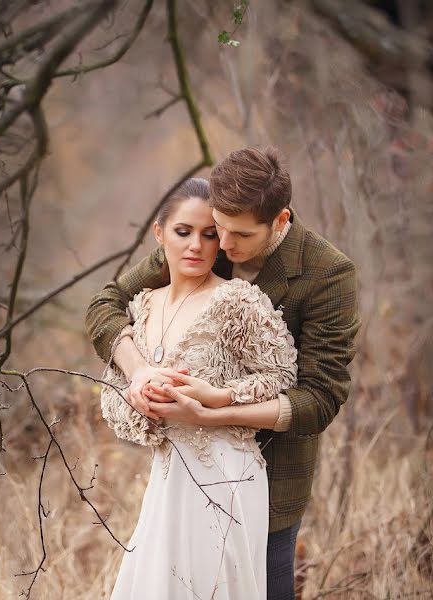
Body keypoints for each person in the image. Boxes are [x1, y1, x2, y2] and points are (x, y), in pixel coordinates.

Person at [87, 147, 360, 600]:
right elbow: (106, 304)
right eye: (217, 228)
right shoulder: (204, 240)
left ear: (280, 220)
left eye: (238, 235)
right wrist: (138, 372)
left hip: (271, 474)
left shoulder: (327, 275)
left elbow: (320, 400)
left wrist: (213, 412)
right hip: (180, 474)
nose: (221, 246)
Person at [100, 176, 297, 599]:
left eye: (210, 235)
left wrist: (216, 397)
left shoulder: (238, 302)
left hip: (227, 469)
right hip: (167, 473)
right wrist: (141, 400)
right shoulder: (143, 305)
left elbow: (281, 379)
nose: (196, 246)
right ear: (160, 233)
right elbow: (111, 394)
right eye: (183, 232)